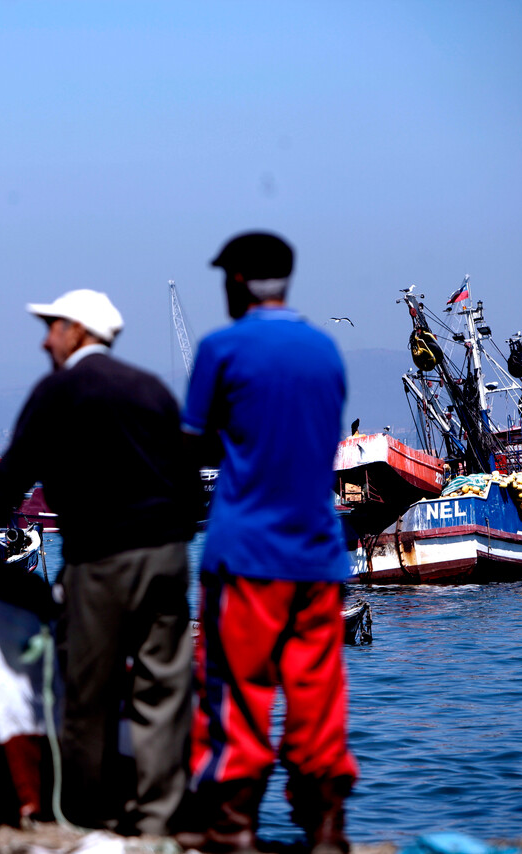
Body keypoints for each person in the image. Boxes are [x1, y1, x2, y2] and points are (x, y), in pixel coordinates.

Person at [0, 289, 202, 836]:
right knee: (162, 689)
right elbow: (189, 484)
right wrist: (171, 539)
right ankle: (159, 822)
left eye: (52, 326)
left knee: (85, 691)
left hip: (99, 560)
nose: (45, 338)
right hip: (164, 558)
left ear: (78, 331)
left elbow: (13, 477)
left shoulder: (59, 390)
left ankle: (89, 819)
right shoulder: (151, 389)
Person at [178, 233, 359, 854]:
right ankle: (327, 827)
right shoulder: (325, 351)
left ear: (237, 282)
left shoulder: (220, 350)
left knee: (235, 688)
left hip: (246, 553)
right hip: (318, 552)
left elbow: (194, 446)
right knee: (317, 690)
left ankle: (232, 826)